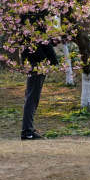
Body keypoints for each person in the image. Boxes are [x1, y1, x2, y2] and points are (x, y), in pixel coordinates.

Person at [20, 9, 58, 140]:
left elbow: (44, 40)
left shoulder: (28, 16)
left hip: (33, 62)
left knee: (31, 96)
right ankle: (27, 131)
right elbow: (43, 42)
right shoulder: (35, 17)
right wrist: (53, 60)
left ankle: (28, 129)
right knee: (32, 97)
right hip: (37, 63)